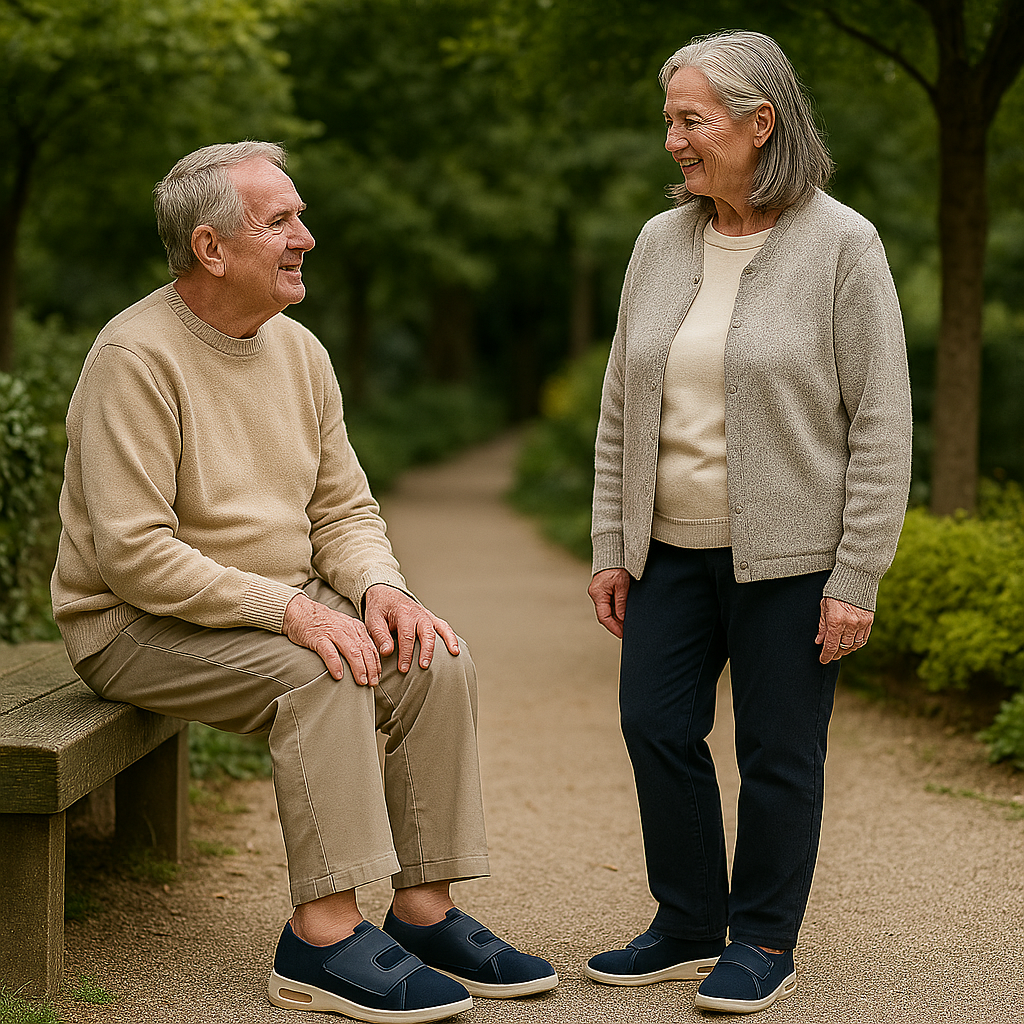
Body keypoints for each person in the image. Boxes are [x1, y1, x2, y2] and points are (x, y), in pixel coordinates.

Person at [51, 141, 557, 1023]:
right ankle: (319, 941)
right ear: (211, 249)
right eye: (281, 221)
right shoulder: (134, 357)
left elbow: (343, 511)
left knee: (432, 656)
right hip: (131, 622)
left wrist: (378, 591)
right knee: (324, 674)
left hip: (266, 608)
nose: (305, 238)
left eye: (300, 216)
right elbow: (133, 556)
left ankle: (422, 910)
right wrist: (287, 609)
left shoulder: (300, 352)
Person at [583, 30, 912, 1015]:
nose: (674, 140)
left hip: (793, 561)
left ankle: (763, 935)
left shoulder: (841, 244)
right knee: (654, 722)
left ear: (758, 122)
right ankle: (688, 921)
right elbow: (618, 411)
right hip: (668, 555)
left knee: (778, 751)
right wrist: (612, 544)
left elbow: (882, 424)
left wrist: (856, 576)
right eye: (670, 120)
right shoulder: (658, 242)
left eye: (692, 119)